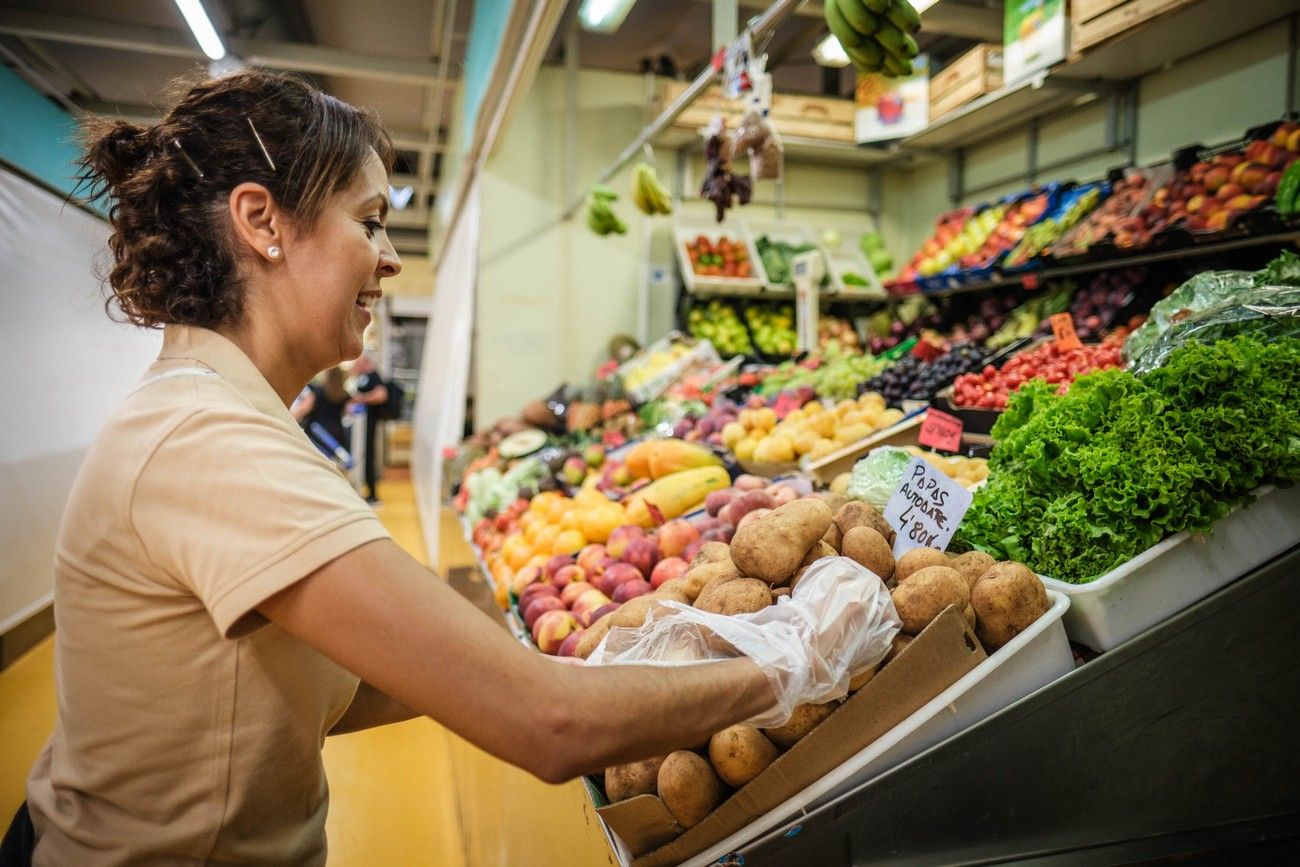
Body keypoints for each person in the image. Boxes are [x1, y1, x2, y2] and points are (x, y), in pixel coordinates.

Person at [10, 69, 878, 866]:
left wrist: (531, 662)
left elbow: (321, 693)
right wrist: (794, 663)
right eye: (371, 220)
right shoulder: (207, 442)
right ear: (261, 220)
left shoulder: (216, 416)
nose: (389, 257)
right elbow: (548, 725)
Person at [346, 352, 390, 503]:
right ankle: (365, 490)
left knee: (369, 456)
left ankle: (372, 493)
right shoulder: (363, 377)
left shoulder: (373, 376)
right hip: (361, 426)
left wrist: (362, 399)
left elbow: (381, 395)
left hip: (369, 425)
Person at [291, 366, 352, 464]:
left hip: (319, 432)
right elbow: (345, 413)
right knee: (334, 463)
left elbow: (306, 409)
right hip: (338, 431)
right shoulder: (345, 395)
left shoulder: (317, 392)